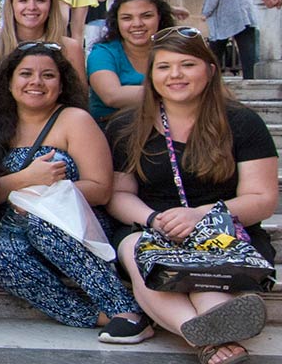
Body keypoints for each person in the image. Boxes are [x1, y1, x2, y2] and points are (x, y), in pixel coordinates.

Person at [106, 27, 276, 364]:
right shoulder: (127, 126)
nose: (175, 75)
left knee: (204, 282)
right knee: (140, 254)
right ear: (151, 75)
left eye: (187, 65)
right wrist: (154, 219)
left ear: (210, 71)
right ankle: (208, 336)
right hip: (151, 228)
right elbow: (118, 195)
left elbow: (263, 198)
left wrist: (200, 215)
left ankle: (212, 336)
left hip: (225, 229)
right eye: (164, 67)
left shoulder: (243, 123)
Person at [0, 42, 149, 341]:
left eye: (48, 75)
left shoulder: (74, 120)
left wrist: (44, 198)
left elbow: (100, 189)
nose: (36, 83)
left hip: (74, 220)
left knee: (45, 223)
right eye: (26, 73)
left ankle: (125, 309)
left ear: (61, 82)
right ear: (10, 80)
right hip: (10, 223)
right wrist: (26, 180)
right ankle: (94, 316)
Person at [86, 0, 176, 121]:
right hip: (113, 132)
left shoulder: (173, 50)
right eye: (127, 18)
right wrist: (175, 91)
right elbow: (112, 96)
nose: (137, 24)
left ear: (160, 17)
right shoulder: (103, 53)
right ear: (117, 21)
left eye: (146, 16)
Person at [0, 0, 88, 84]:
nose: (31, 7)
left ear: (51, 6)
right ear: (11, 5)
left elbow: (79, 98)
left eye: (40, 0)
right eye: (23, 0)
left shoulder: (70, 48)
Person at [203, 0, 260, 79]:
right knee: (249, 56)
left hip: (225, 14)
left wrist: (206, 12)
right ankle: (252, 83)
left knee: (214, 54)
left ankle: (209, 82)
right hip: (247, 13)